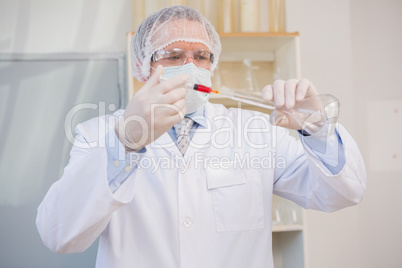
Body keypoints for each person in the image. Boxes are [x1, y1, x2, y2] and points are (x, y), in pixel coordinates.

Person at [36, 5, 366, 268]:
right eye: (173, 55)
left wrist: (318, 128)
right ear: (141, 67)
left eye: (201, 56)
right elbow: (60, 235)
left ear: (212, 65)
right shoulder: (98, 134)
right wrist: (126, 142)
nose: (190, 66)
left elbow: (342, 194)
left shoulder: (256, 132)